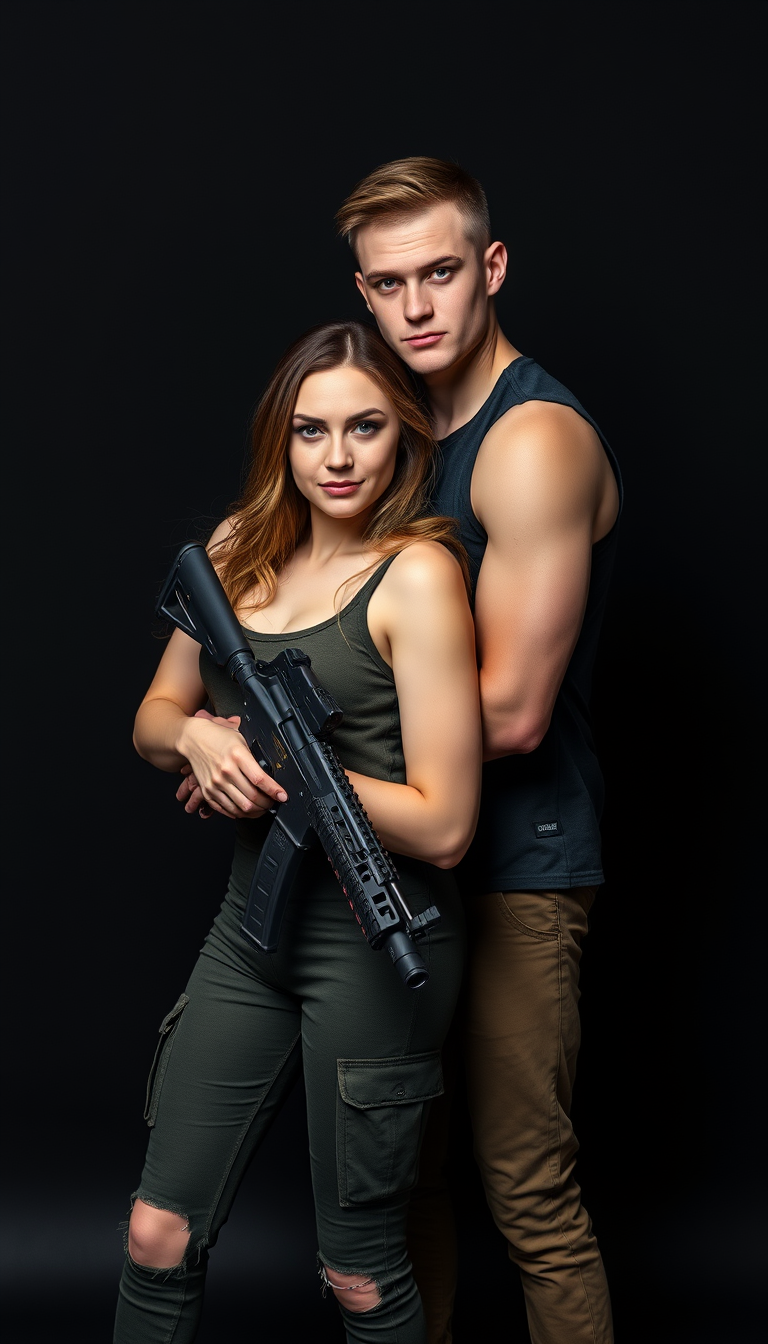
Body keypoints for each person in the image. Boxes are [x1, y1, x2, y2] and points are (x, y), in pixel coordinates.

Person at [114, 319, 482, 1343]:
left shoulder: (417, 576)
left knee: (357, 1273)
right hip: (250, 930)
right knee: (156, 1231)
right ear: (283, 438)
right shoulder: (236, 550)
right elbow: (152, 716)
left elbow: (447, 824)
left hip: (379, 939)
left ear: (402, 433)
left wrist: (278, 771)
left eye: (365, 427)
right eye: (312, 431)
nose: (338, 457)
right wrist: (195, 739)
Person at [332, 157, 622, 1344]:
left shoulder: (531, 442)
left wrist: (304, 759)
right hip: (402, 864)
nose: (417, 309)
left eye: (441, 273)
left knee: (527, 1193)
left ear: (490, 268)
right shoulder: (393, 436)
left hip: (517, 870)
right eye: (390, 284)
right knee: (404, 1186)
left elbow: (509, 714)